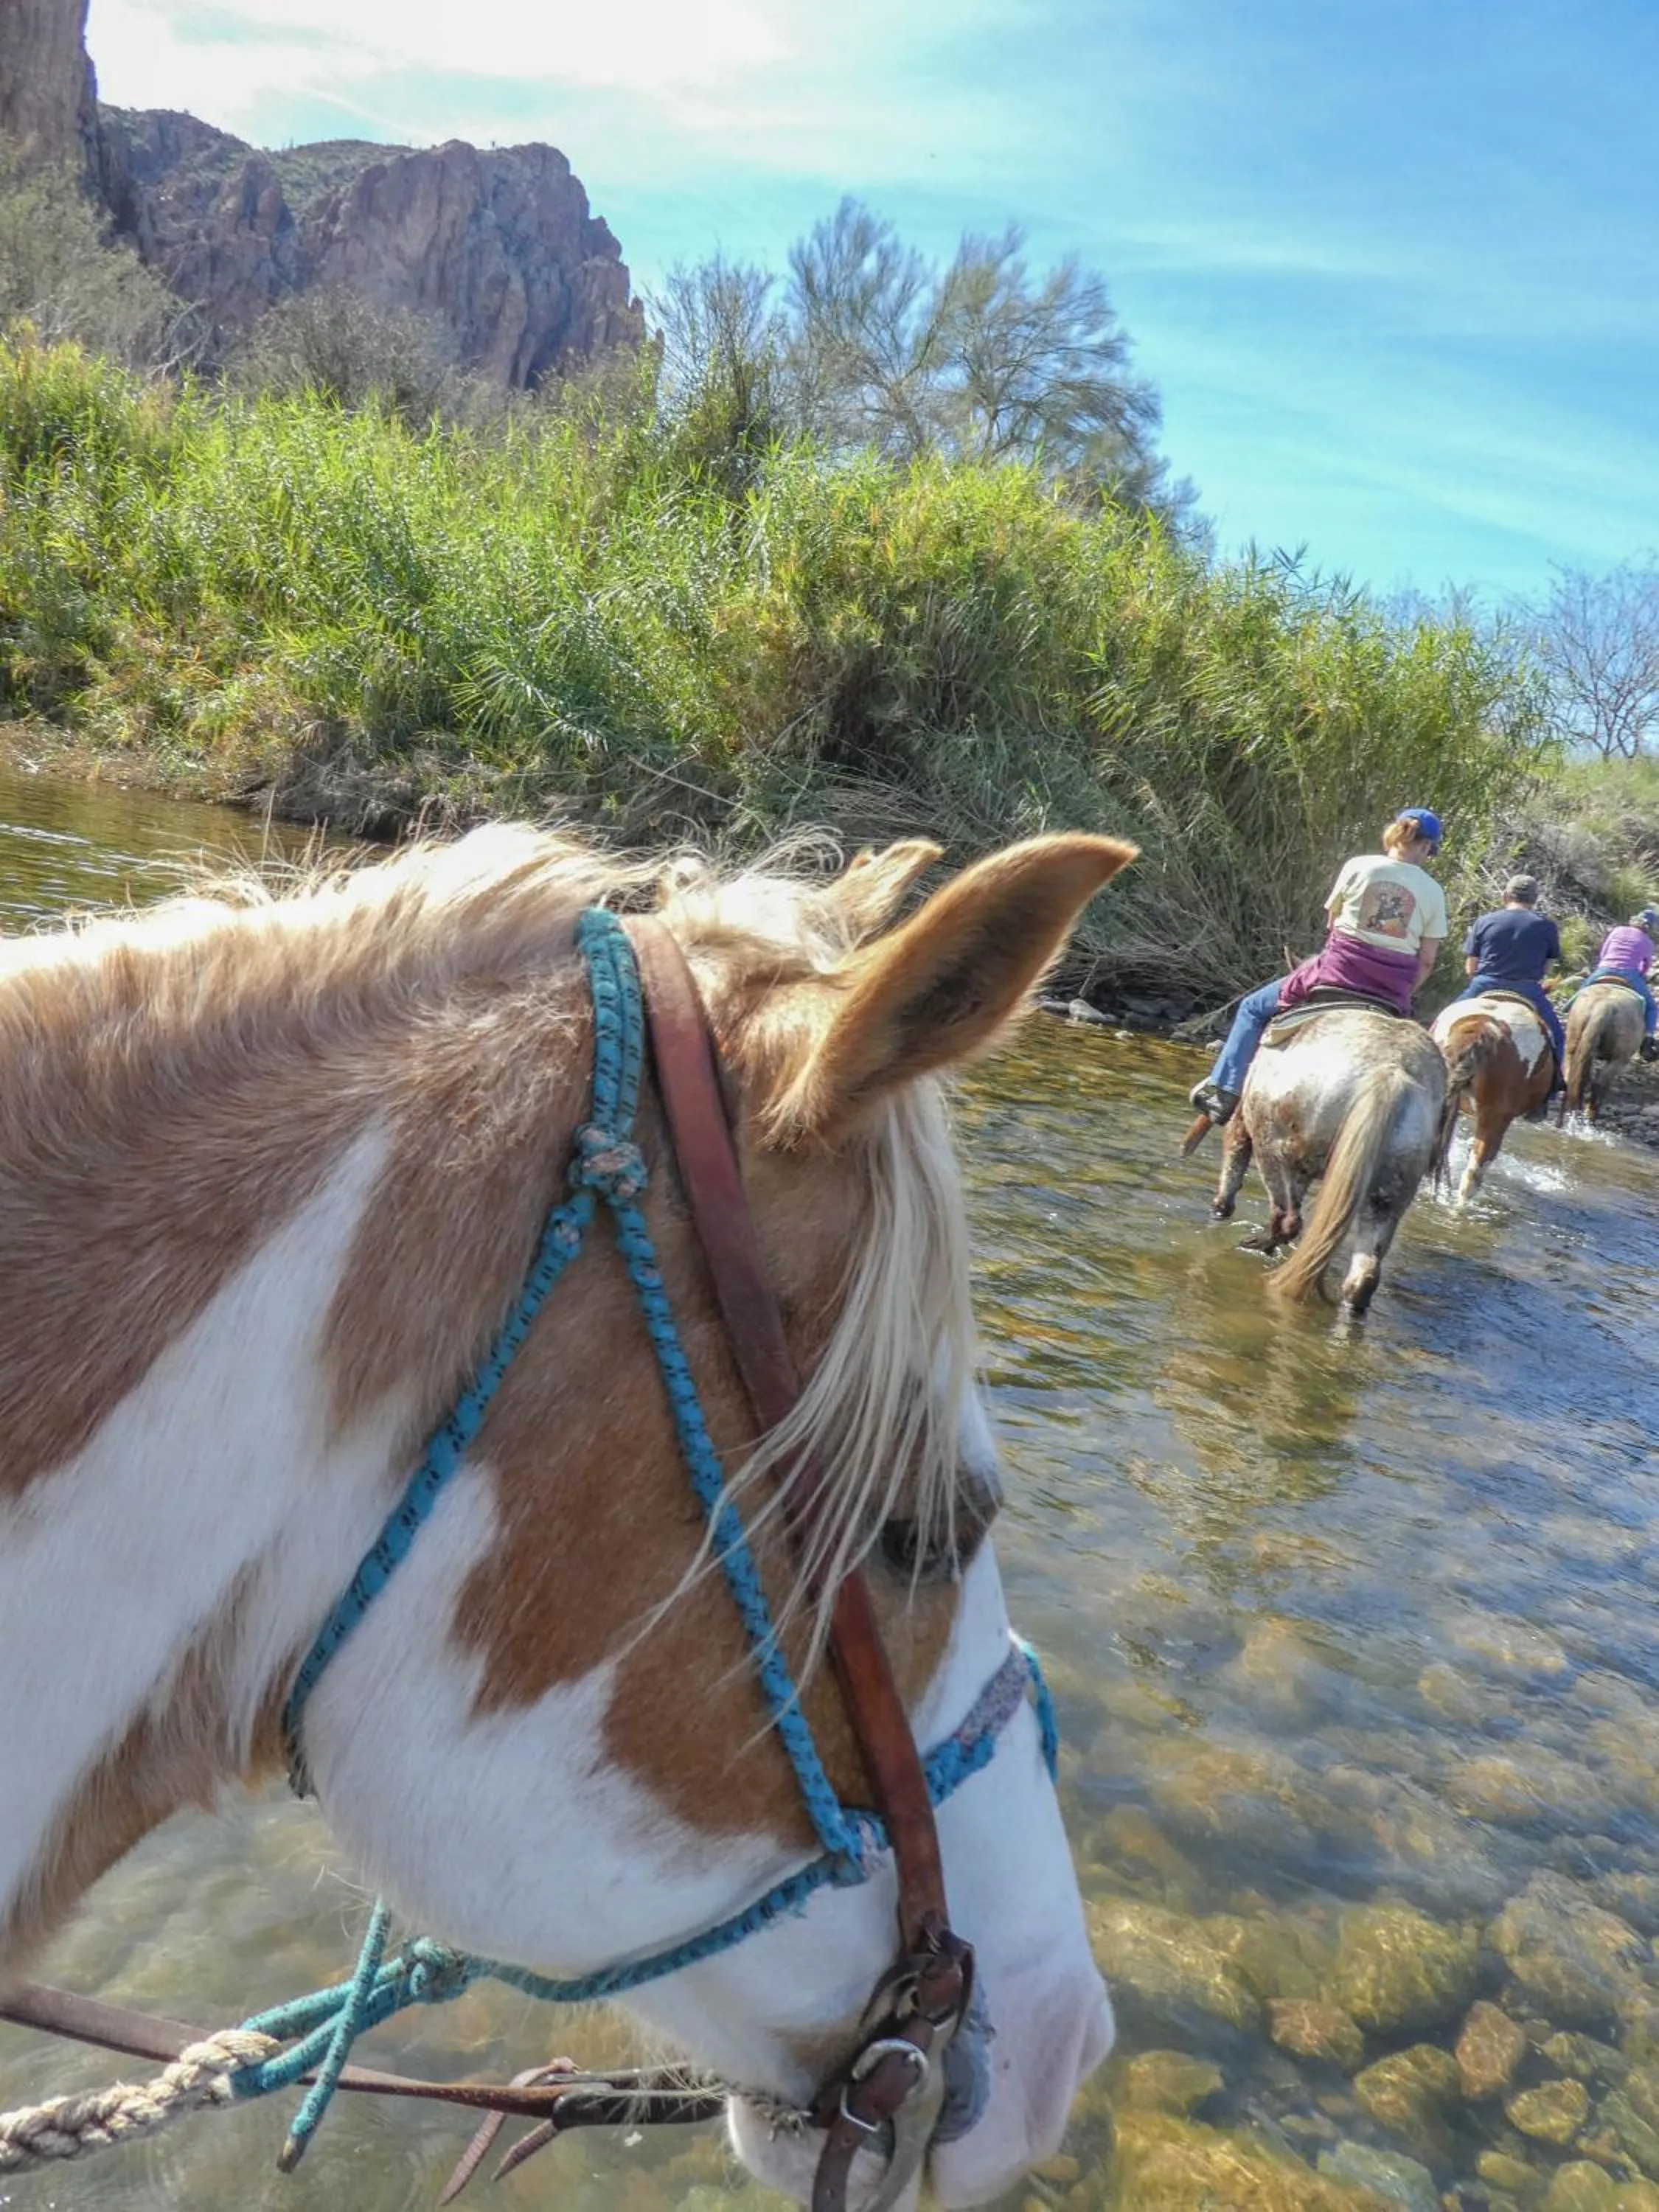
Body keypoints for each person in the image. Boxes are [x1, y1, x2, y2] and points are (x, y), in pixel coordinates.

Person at [1187, 808, 1447, 1130]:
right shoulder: (1434, 892)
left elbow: (1333, 926)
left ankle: (1222, 1090)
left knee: (1252, 1009)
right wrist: (1403, 993)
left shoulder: (1359, 866)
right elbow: (1427, 961)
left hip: (1335, 974)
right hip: (1390, 990)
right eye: (1430, 852)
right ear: (1425, 847)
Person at [1451, 874, 1566, 1078]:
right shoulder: (1547, 927)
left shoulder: (1484, 921)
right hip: (1527, 988)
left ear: (1505, 896)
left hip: (1485, 983)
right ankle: (1558, 1079)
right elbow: (1546, 968)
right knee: (1556, 1035)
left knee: (1443, 1020)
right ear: (1534, 900)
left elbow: (1470, 968)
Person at [1577, 906, 1659, 1059]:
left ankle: (1569, 1018)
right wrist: (1640, 975)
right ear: (1650, 928)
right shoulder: (1648, 942)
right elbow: (1646, 966)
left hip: (1604, 969)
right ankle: (1647, 1041)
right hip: (1630, 974)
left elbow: (1603, 953)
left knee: (1580, 994)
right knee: (1652, 1007)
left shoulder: (1618, 930)